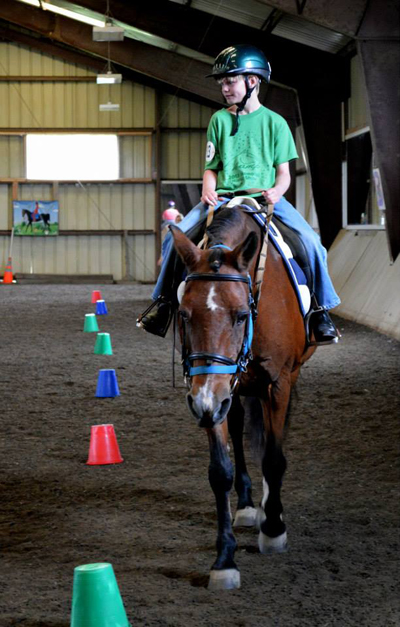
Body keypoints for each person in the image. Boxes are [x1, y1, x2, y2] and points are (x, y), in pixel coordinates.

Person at [138, 44, 340, 343]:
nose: (225, 88)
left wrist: (276, 191)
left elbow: (283, 173)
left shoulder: (276, 124)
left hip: (265, 198)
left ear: (253, 81)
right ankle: (164, 304)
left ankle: (321, 312)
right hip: (221, 198)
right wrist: (208, 185)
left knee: (311, 243)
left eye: (230, 81)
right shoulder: (219, 120)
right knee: (175, 237)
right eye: (222, 83)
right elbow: (211, 166)